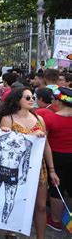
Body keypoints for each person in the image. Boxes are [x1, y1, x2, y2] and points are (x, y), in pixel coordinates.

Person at [0, 87, 59, 239]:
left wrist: (51, 170)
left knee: (41, 206)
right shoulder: (8, 119)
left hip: (39, 167)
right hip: (15, 168)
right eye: (27, 97)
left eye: (32, 97)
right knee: (14, 203)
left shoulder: (39, 119)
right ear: (17, 99)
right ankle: (11, 233)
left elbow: (46, 145)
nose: (32, 100)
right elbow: (6, 145)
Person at [41, 86, 72, 231]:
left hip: (56, 156)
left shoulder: (50, 118)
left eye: (54, 99)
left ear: (59, 102)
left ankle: (55, 220)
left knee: (56, 186)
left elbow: (43, 141)